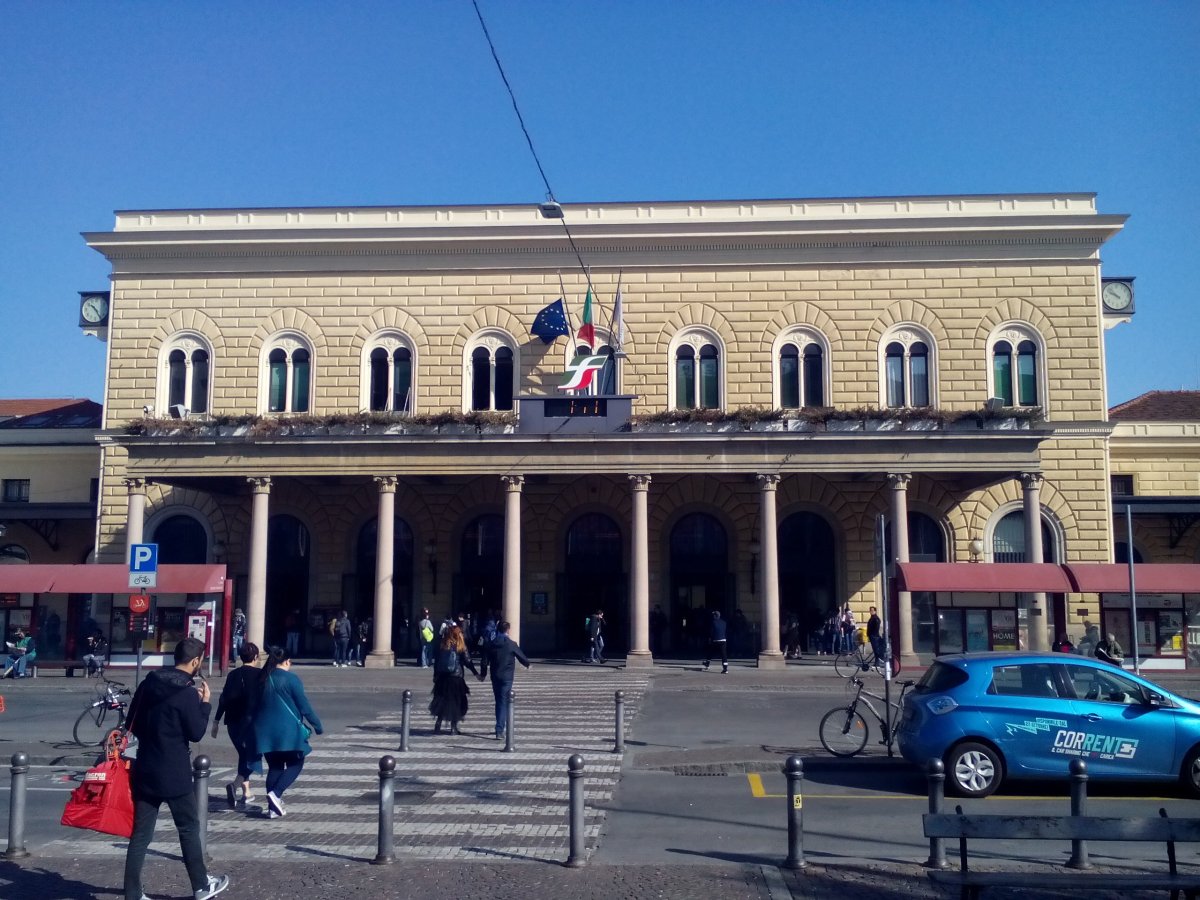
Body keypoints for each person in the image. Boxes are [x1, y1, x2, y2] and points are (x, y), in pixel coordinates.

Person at [123, 637, 229, 900]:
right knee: (188, 827)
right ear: (195, 661)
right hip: (174, 771)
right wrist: (205, 704)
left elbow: (131, 722)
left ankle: (133, 893)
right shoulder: (186, 692)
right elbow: (195, 732)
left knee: (140, 835)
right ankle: (202, 885)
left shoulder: (149, 683)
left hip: (145, 766)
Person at [252, 646, 323, 819]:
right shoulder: (291, 679)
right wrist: (317, 725)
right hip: (288, 732)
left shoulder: (262, 678)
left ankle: (272, 808)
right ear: (287, 661)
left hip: (265, 732)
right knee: (296, 763)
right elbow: (304, 706)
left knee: (275, 767)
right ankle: (276, 794)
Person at [212, 641, 263, 808]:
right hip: (251, 723)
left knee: (244, 754)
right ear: (256, 657)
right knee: (253, 756)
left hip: (232, 722)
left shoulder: (233, 675)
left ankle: (246, 792)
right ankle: (234, 785)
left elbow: (223, 698)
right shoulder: (260, 675)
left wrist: (216, 721)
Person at [478, 621, 530, 740]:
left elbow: (484, 661)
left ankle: (499, 726)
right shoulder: (511, 644)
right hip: (506, 677)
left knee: (499, 701)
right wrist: (527, 664)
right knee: (503, 702)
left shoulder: (491, 643)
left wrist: (483, 674)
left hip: (495, 676)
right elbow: (521, 656)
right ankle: (499, 729)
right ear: (507, 630)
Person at [429, 625, 479, 734]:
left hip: (443, 678)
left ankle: (438, 724)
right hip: (456, 678)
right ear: (458, 634)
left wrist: (435, 675)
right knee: (457, 702)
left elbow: (437, 663)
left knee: (442, 701)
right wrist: (476, 673)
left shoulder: (442, 645)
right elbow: (468, 661)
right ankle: (453, 727)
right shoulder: (460, 646)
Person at [702, 610, 729, 674]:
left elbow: (711, 632)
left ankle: (707, 663)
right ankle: (725, 669)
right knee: (724, 655)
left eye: (713, 615)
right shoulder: (724, 622)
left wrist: (710, 638)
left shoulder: (713, 622)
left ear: (715, 616)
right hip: (723, 640)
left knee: (711, 652)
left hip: (716, 640)